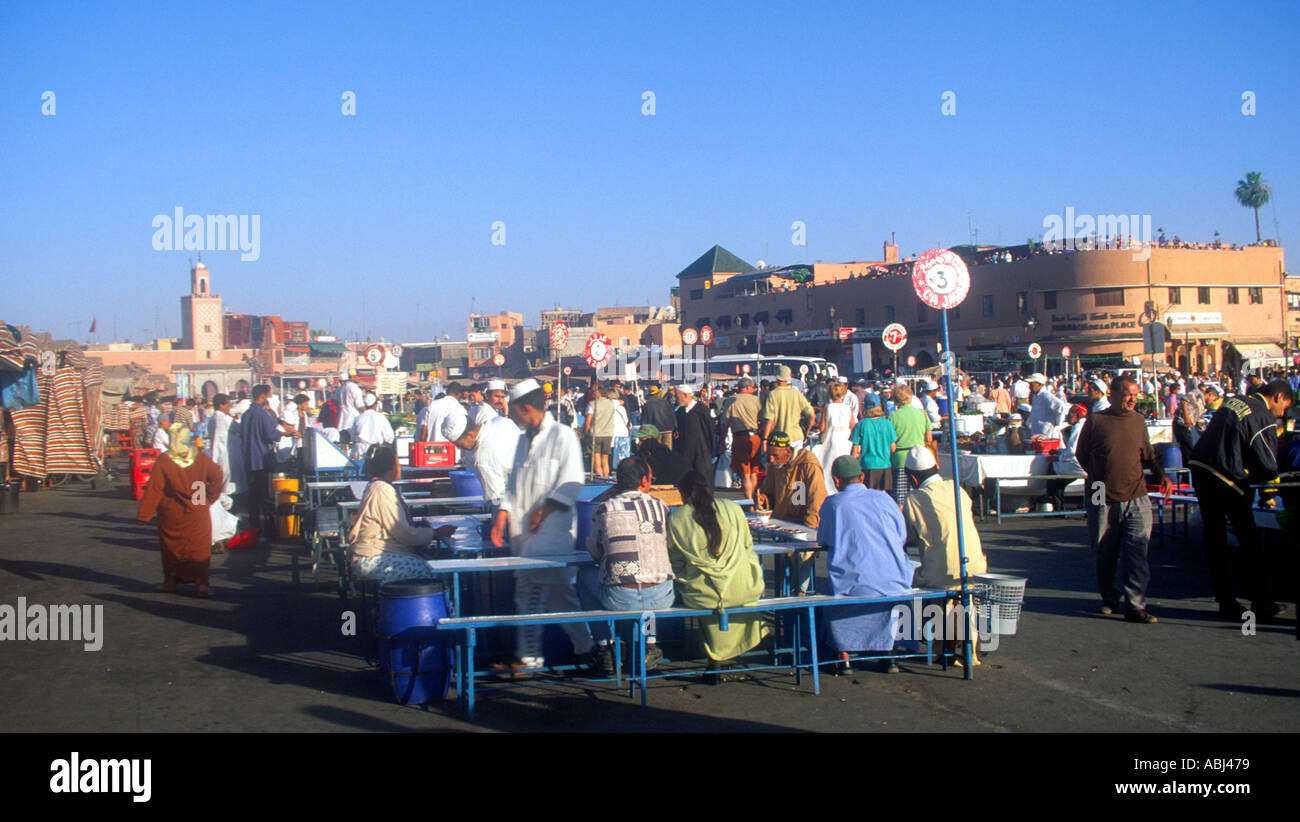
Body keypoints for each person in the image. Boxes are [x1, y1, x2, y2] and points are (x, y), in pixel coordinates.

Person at [489, 379, 597, 673]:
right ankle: (586, 649)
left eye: (515, 412)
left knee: (531, 596)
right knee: (558, 599)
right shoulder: (523, 441)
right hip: (524, 538)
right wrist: (501, 516)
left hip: (551, 538)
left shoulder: (562, 436)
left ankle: (529, 659)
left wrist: (544, 510)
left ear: (526, 408)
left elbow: (573, 481)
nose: (513, 417)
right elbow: (512, 485)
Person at [1188, 379, 1294, 621]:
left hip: (1201, 469)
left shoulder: (1235, 401)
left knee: (1215, 540)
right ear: (1278, 397)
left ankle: (1226, 601)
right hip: (1226, 479)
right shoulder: (1261, 415)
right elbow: (1266, 462)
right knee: (1249, 542)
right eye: (1284, 407)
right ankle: (1262, 601)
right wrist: (1269, 493)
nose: (1282, 413)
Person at [1075, 376, 1173, 623]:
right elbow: (1081, 454)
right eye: (1128, 394)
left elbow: (1148, 454)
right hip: (1100, 493)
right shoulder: (1096, 421)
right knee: (1103, 551)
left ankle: (1135, 606)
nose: (1132, 399)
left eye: (1135, 395)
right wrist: (1100, 478)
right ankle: (1109, 598)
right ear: (1114, 395)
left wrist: (1162, 476)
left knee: (1137, 552)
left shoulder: (1138, 421)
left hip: (1136, 494)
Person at [817, 455, 914, 674]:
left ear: (835, 480)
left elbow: (823, 539)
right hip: (895, 579)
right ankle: (888, 653)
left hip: (853, 584)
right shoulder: (885, 499)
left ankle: (843, 654)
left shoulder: (833, 504)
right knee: (883, 597)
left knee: (834, 591)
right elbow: (902, 534)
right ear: (862, 476)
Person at [576, 457, 675, 673]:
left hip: (619, 597)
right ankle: (650, 643)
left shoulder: (604, 509)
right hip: (661, 595)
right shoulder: (661, 506)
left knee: (584, 576)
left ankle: (604, 645)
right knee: (651, 594)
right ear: (643, 481)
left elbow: (594, 553)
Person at [666, 471, 768, 676]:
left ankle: (715, 658)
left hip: (704, 596)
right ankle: (724, 655)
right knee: (723, 592)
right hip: (745, 589)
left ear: (683, 494)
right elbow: (748, 546)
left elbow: (675, 564)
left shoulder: (676, 518)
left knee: (698, 590)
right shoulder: (732, 508)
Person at [901, 445, 989, 666]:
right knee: (966, 598)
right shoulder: (956, 488)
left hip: (943, 571)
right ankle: (970, 647)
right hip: (976, 564)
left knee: (918, 581)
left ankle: (942, 646)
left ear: (912, 477)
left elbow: (907, 536)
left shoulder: (915, 498)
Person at [136, 422, 225, 598]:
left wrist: (144, 515)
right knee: (199, 550)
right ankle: (203, 585)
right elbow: (217, 475)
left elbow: (155, 489)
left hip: (172, 513)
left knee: (171, 550)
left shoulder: (164, 460)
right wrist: (208, 498)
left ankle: (170, 582)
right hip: (198, 508)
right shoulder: (200, 457)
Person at [346, 445, 455, 583]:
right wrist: (435, 533)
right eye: (398, 463)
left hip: (374, 552)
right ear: (391, 466)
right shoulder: (382, 490)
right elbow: (403, 533)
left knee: (427, 563)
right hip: (371, 555)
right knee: (430, 571)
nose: (400, 467)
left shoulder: (377, 486)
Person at [756, 432, 827, 594]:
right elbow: (770, 494)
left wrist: (808, 532)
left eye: (775, 456)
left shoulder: (808, 465)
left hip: (806, 527)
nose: (771, 460)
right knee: (781, 565)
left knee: (802, 560)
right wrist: (763, 499)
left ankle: (801, 595)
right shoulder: (775, 467)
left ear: (788, 452)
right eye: (769, 456)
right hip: (783, 526)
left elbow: (816, 502)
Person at [240, 385, 299, 539]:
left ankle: (254, 526)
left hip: (249, 459)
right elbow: (271, 434)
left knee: (252, 496)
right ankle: (267, 528)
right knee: (263, 495)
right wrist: (287, 433)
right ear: (264, 396)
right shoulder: (262, 414)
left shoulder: (246, 414)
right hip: (261, 459)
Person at [452, 411, 522, 508]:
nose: (459, 448)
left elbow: (496, 500)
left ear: (470, 434)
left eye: (459, 444)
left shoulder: (482, 458)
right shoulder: (500, 421)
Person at [719, 377, 763, 502]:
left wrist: (721, 442)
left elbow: (724, 424)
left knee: (745, 473)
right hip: (755, 437)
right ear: (748, 387)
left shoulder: (731, 400)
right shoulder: (756, 400)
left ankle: (749, 500)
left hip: (739, 437)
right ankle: (754, 499)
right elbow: (762, 419)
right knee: (754, 471)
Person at [888, 384, 932, 506]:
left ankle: (902, 524)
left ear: (896, 399)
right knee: (918, 497)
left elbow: (890, 442)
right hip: (919, 459)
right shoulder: (922, 413)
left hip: (899, 459)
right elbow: (929, 437)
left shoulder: (892, 417)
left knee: (900, 498)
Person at [812, 380, 856, 496]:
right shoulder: (848, 408)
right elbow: (853, 425)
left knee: (828, 464)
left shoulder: (828, 407)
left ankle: (829, 489)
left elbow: (822, 427)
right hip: (846, 438)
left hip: (832, 436)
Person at [760, 365, 814, 453]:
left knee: (781, 465)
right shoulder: (797, 394)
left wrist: (765, 439)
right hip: (797, 438)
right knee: (795, 465)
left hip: (780, 439)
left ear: (776, 378)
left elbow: (770, 420)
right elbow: (812, 416)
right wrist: (806, 433)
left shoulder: (773, 395)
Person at [849, 394, 897, 493]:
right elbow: (893, 448)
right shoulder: (888, 424)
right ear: (879, 406)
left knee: (867, 495)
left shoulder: (860, 425)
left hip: (867, 466)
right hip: (884, 465)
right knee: (882, 496)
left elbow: (855, 450)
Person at [1045, 404, 1088, 510]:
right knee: (1060, 480)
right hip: (1087, 464)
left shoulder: (1078, 427)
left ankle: (1056, 506)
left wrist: (1058, 458)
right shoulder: (1087, 425)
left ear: (1076, 415)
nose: (1067, 417)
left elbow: (1072, 451)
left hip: (1078, 465)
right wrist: (1059, 451)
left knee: (1054, 470)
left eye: (1069, 414)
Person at [673, 384, 714, 481]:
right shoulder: (680, 412)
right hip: (685, 454)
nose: (676, 399)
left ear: (686, 395)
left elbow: (709, 431)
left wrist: (709, 450)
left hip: (701, 452)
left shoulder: (701, 411)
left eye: (677, 396)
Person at [207, 393, 245, 498]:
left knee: (221, 487)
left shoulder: (212, 420)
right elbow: (241, 429)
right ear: (221, 406)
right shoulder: (225, 419)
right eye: (228, 405)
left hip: (217, 456)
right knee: (231, 488)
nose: (229, 408)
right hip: (229, 457)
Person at [584, 385, 617, 477]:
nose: (593, 393)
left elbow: (587, 421)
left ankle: (601, 478)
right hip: (608, 434)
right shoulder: (612, 403)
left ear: (599, 392)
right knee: (605, 460)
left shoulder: (592, 404)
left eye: (594, 391)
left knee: (596, 460)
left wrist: (586, 433)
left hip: (595, 434)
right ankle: (606, 478)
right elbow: (621, 402)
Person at [350, 391, 395, 459]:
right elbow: (389, 437)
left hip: (358, 452)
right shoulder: (380, 417)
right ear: (376, 404)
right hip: (374, 453)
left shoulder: (358, 418)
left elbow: (352, 437)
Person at [1026, 373, 1069, 439]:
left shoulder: (1046, 396)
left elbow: (1061, 406)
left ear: (1039, 384)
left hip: (1046, 433)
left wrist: (1057, 423)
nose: (1029, 387)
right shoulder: (1035, 396)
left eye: (1031, 384)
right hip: (1037, 432)